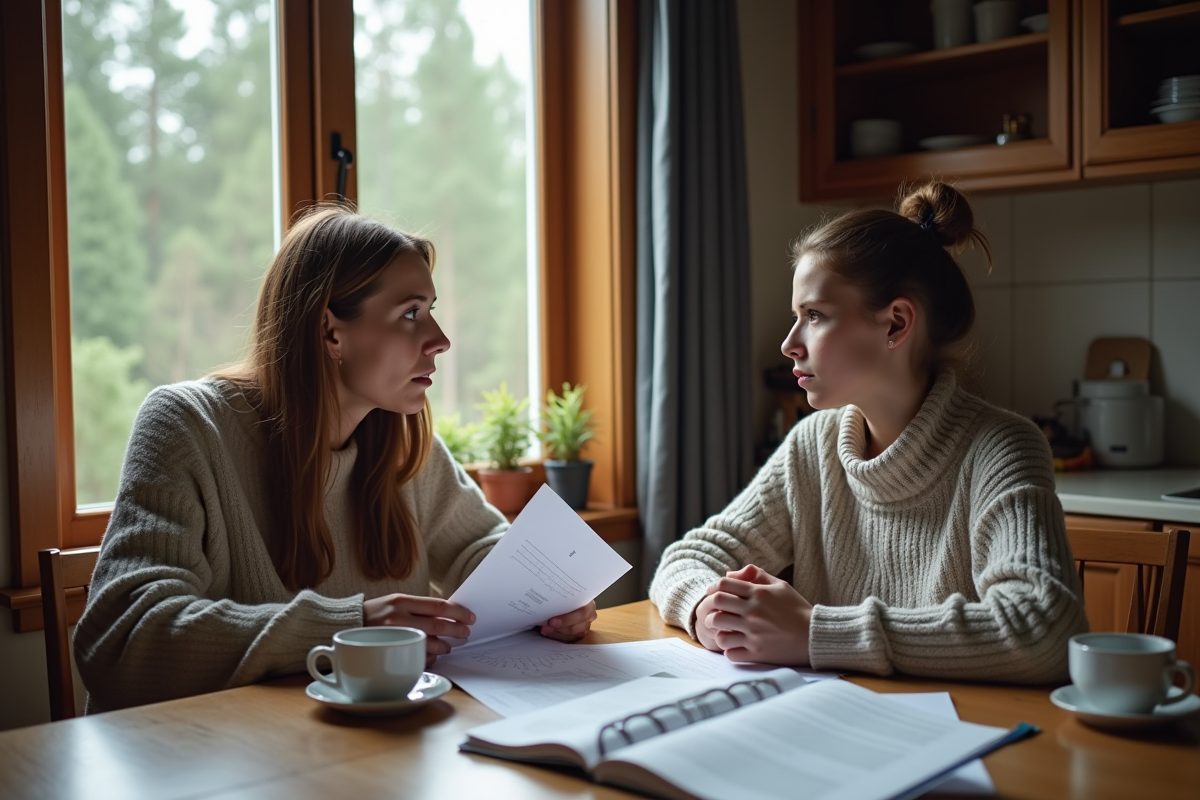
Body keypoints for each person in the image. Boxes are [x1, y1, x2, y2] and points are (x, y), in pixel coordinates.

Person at [74, 206, 595, 712]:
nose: (439, 340)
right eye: (410, 314)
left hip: (366, 750)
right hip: (208, 756)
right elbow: (121, 639)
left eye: (430, 312)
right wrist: (348, 628)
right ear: (330, 331)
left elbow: (481, 548)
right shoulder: (188, 427)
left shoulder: (399, 440)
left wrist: (548, 599)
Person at [649, 181, 1087, 683]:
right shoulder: (812, 445)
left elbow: (1043, 627)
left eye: (815, 316)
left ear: (896, 324)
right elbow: (687, 558)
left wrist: (815, 632)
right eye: (797, 317)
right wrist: (706, 606)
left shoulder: (1001, 449)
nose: (790, 343)